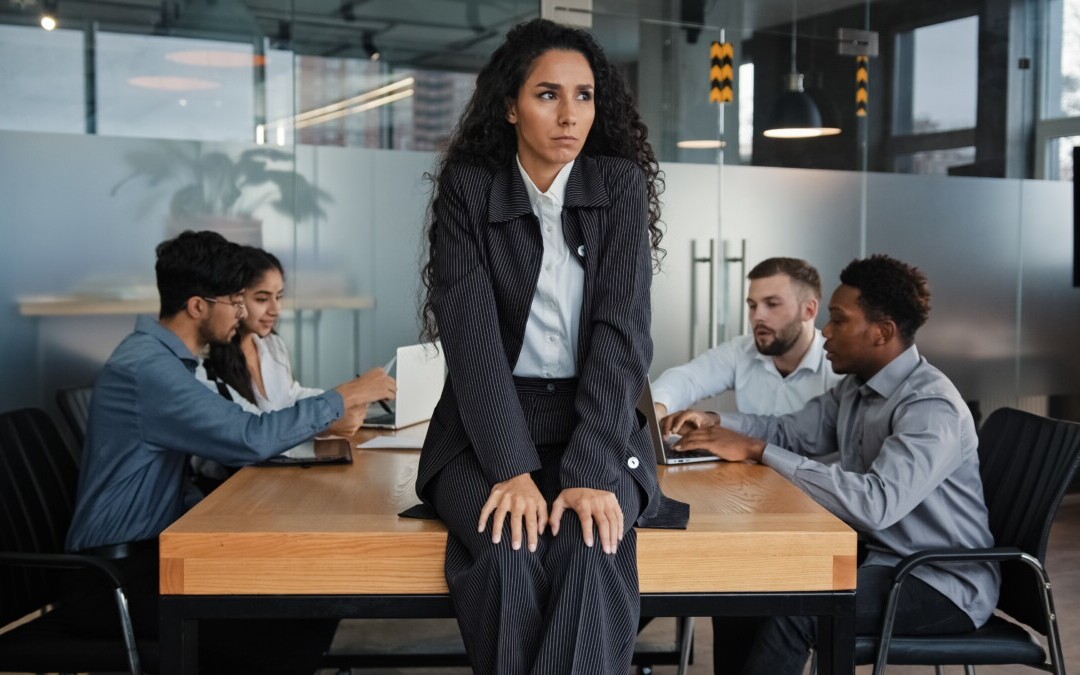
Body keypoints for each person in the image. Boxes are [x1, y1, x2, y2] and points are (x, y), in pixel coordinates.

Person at [415, 18, 684, 675]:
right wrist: (510, 468)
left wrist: (593, 468)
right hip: (485, 430)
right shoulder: (469, 190)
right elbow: (471, 341)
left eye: (584, 95)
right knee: (508, 548)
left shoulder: (616, 185)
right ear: (509, 105)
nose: (570, 114)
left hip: (595, 422)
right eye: (547, 95)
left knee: (590, 545)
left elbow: (621, 338)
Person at [64, 230, 395, 674]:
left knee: (309, 595)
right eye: (234, 302)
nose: (242, 314)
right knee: (291, 627)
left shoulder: (166, 363)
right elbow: (248, 437)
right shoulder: (150, 371)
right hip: (115, 580)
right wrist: (345, 394)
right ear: (198, 306)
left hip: (149, 556)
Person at [667, 255, 1000, 675]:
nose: (824, 331)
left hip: (937, 581)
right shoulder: (856, 389)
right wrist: (717, 422)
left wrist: (755, 449)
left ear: (882, 332)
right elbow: (790, 432)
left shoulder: (929, 406)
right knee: (746, 579)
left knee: (800, 611)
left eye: (839, 321)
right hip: (879, 559)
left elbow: (875, 504)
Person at [652, 256, 841, 428]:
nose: (757, 316)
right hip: (751, 466)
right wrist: (659, 406)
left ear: (808, 310)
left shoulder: (838, 367)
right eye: (752, 305)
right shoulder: (741, 351)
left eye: (772, 304)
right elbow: (688, 378)